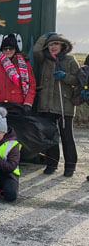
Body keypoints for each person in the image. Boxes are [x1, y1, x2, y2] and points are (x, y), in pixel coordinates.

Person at [33, 32, 80, 177]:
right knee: (51, 137)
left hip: (64, 105)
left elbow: (79, 80)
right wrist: (43, 37)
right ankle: (51, 164)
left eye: (56, 44)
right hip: (46, 105)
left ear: (63, 45)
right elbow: (36, 51)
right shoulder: (44, 60)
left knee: (67, 137)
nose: (53, 47)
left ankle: (70, 166)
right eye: (51, 44)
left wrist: (65, 77)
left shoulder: (70, 60)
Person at [0, 34, 36, 117]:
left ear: (15, 50)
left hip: (17, 105)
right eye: (5, 48)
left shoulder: (25, 65)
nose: (8, 51)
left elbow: (31, 85)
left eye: (11, 48)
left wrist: (28, 103)